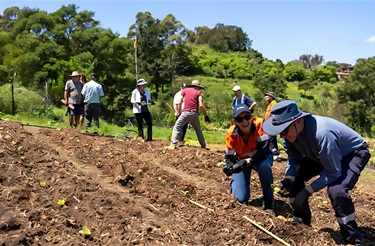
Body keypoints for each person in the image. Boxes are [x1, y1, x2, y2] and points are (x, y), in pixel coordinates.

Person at [262, 100, 370, 245]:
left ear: (298, 121)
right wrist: (288, 179)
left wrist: (306, 192)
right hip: (321, 154)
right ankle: (301, 220)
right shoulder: (289, 137)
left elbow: (333, 173)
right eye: (279, 133)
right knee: (294, 180)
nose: (282, 136)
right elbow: (294, 161)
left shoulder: (323, 133)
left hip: (352, 153)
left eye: (284, 131)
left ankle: (353, 239)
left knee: (337, 190)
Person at [222, 104, 274, 211]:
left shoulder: (260, 125)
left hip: (261, 158)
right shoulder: (231, 134)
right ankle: (235, 185)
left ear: (252, 117)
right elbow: (230, 157)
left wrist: (250, 160)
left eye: (247, 117)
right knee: (241, 199)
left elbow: (265, 150)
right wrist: (230, 167)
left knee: (264, 166)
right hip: (243, 162)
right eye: (240, 119)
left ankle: (269, 201)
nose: (244, 122)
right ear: (235, 122)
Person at [166, 79, 210, 150]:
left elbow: (179, 101)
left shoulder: (184, 91)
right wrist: (206, 116)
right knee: (198, 130)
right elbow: (201, 105)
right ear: (197, 87)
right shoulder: (199, 93)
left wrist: (179, 112)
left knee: (177, 127)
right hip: (194, 113)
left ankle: (173, 144)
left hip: (185, 112)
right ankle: (203, 145)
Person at [264, 91, 281, 161]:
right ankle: (276, 153)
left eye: (267, 96)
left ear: (271, 97)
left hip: (271, 123)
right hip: (268, 123)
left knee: (271, 138)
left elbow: (274, 114)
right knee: (271, 138)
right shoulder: (270, 104)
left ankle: (274, 153)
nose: (265, 97)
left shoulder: (273, 103)